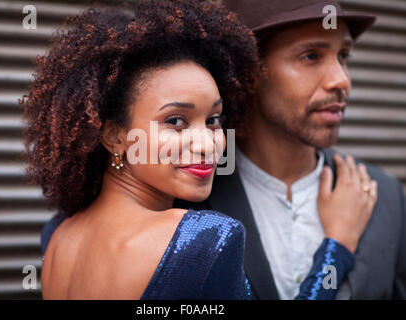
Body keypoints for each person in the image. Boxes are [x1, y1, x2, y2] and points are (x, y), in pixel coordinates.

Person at [33, 0, 375, 300]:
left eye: (213, 119)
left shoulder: (59, 235)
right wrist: (337, 246)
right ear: (114, 137)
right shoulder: (204, 239)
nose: (208, 144)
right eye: (176, 121)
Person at [176, 0, 406, 299]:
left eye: (344, 56)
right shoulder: (187, 200)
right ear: (248, 73)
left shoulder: (386, 196)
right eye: (310, 56)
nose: (342, 80)